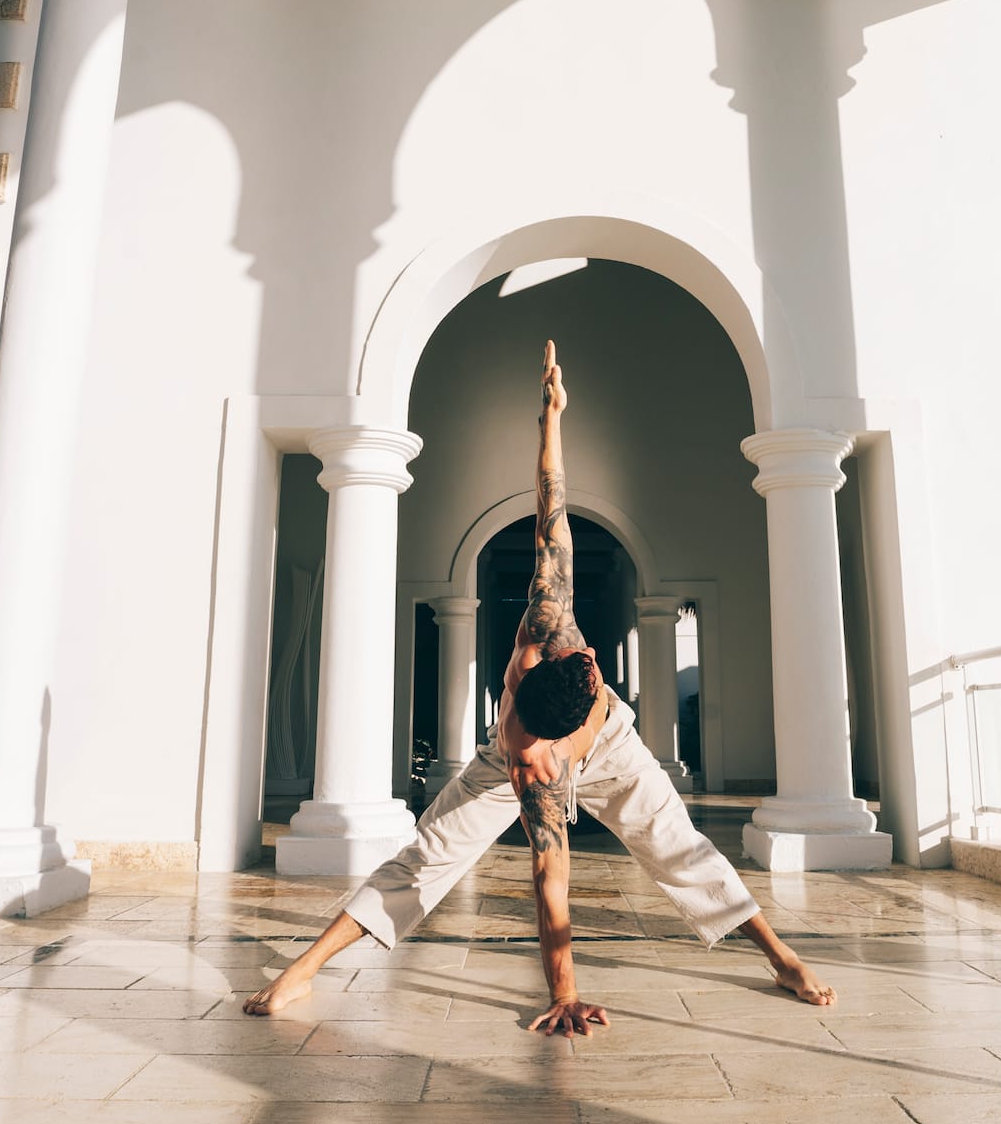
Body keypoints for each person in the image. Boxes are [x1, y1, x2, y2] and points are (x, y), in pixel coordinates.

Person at [246, 341, 834, 1034]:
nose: (521, 766)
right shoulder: (543, 635)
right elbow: (550, 506)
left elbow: (557, 881)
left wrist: (565, 993)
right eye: (513, 737)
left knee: (679, 846)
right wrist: (550, 419)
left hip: (611, 744)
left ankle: (781, 957)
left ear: (557, 748)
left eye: (530, 758)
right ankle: (306, 967)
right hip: (556, 720)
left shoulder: (555, 758)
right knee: (426, 857)